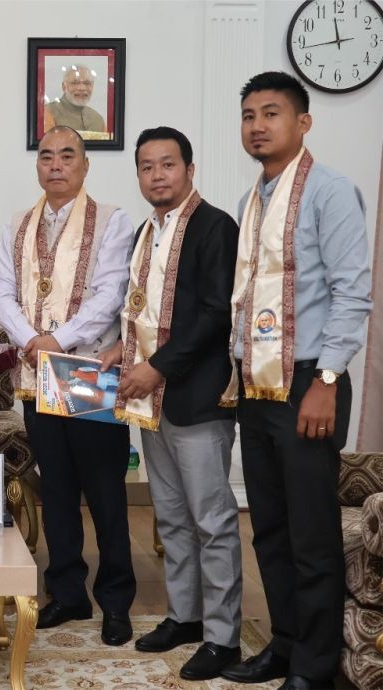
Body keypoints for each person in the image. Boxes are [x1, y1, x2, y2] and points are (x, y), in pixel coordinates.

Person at [218, 72, 371, 690]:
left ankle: (314, 666)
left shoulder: (331, 192)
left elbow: (351, 293)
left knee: (311, 534)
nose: (257, 125)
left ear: (303, 122)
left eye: (271, 113)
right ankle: (283, 645)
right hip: (258, 384)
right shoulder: (251, 200)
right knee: (270, 527)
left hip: (310, 380)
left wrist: (328, 379)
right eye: (249, 114)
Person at [100, 126, 243, 679]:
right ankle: (185, 615)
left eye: (167, 165)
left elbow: (214, 315)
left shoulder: (215, 228)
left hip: (196, 398)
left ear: (189, 169)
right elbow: (142, 311)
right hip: (150, 402)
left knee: (213, 520)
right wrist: (120, 348)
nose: (157, 175)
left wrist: (155, 366)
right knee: (173, 517)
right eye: (146, 167)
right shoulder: (146, 232)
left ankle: (224, 636)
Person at [0, 125, 136, 645]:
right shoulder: (18, 224)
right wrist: (34, 339)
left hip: (87, 372)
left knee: (104, 491)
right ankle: (68, 594)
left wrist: (60, 338)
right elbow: (1, 293)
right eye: (46, 156)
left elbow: (110, 294)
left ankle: (115, 601)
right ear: (37, 166)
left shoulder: (113, 221)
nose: (56, 164)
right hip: (36, 375)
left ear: (85, 164)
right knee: (55, 490)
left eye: (67, 155)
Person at [43, 64, 106, 135]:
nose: (82, 88)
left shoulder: (97, 119)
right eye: (75, 83)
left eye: (87, 83)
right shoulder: (48, 112)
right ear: (64, 87)